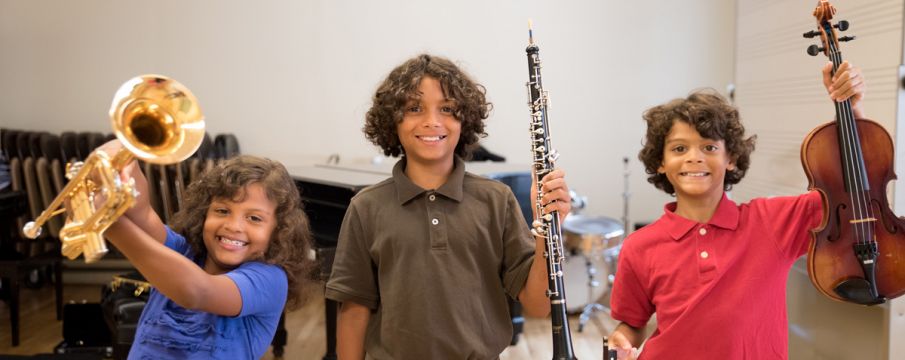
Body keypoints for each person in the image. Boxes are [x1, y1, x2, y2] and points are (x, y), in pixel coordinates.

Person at [607, 61, 865, 359]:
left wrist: (851, 113)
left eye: (709, 147)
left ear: (731, 157)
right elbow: (632, 324)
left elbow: (852, 193)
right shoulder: (640, 246)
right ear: (660, 162)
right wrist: (620, 340)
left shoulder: (772, 221)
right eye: (679, 149)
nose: (694, 158)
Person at [325, 54, 572, 359]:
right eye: (414, 108)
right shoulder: (366, 207)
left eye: (447, 109)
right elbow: (353, 309)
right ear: (393, 120)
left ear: (464, 119)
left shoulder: (497, 200)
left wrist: (547, 230)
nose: (432, 121)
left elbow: (537, 305)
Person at [99, 145, 314, 359]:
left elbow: (196, 292)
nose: (233, 226)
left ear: (279, 231)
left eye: (254, 218)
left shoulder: (269, 279)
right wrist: (122, 159)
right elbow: (142, 213)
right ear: (204, 214)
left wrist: (108, 223)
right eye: (222, 211)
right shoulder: (184, 251)